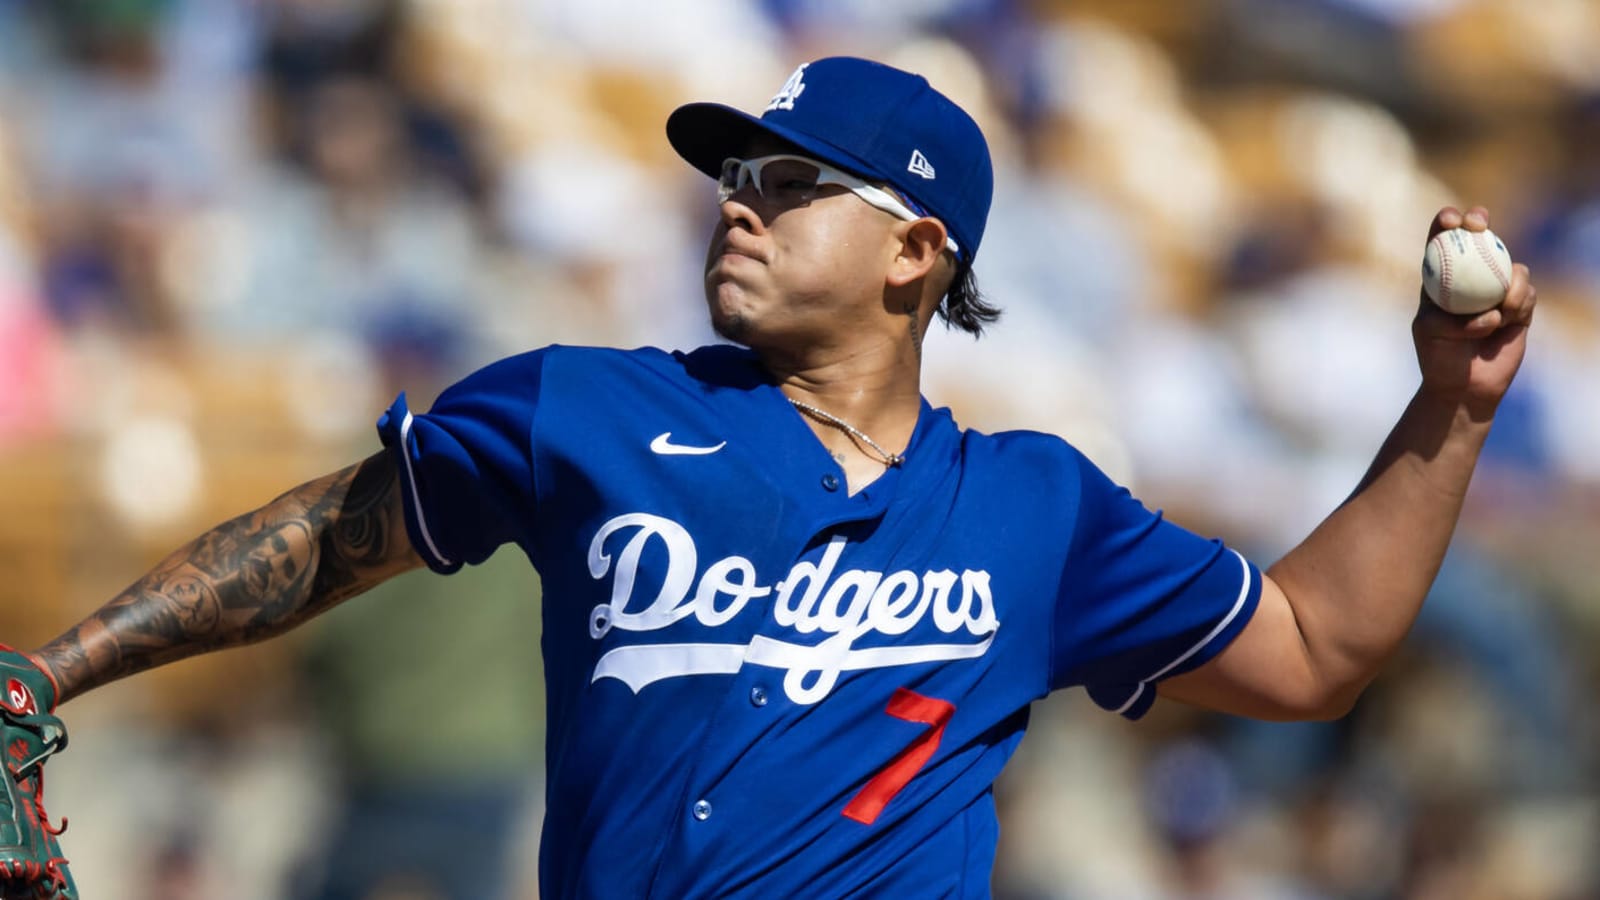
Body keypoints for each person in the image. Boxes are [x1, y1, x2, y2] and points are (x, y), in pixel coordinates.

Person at [3, 56, 1536, 898]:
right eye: (734, 179)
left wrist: (1450, 412)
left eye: (791, 184)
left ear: (919, 251)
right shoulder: (578, 415)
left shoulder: (1035, 508)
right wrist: (55, 670)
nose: (738, 207)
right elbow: (325, 539)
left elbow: (1319, 646)